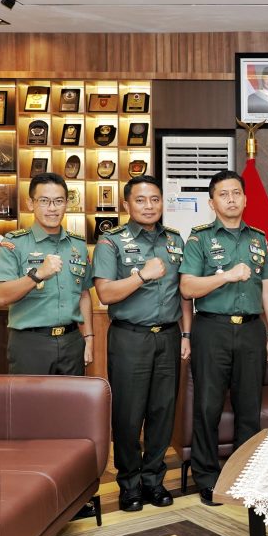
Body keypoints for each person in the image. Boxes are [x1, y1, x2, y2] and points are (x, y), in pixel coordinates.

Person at [180, 169, 268, 506]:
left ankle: (245, 474)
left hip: (252, 330)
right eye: (223, 194)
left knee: (249, 408)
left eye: (236, 193)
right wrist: (225, 277)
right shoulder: (199, 239)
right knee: (207, 407)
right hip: (212, 329)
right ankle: (207, 477)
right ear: (212, 203)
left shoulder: (258, 238)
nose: (231, 199)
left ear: (245, 199)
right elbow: (187, 287)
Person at [93, 175, 192, 513]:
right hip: (129, 337)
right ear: (126, 204)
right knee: (128, 414)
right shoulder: (111, 242)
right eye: (140, 200)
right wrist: (141, 276)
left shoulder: (175, 240)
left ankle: (153, 480)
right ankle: (129, 483)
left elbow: (183, 294)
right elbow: (105, 293)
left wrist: (186, 334)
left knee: (162, 411)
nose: (149, 206)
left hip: (168, 336)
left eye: (155, 199)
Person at [0, 172, 93, 376]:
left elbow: (84, 294)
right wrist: (38, 274)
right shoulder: (14, 244)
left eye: (59, 201)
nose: (52, 208)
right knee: (29, 398)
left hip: (72, 341)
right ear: (31, 203)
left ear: (66, 204)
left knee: (73, 397)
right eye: (44, 201)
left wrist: (89, 338)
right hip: (30, 343)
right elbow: (0, 296)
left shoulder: (78, 245)